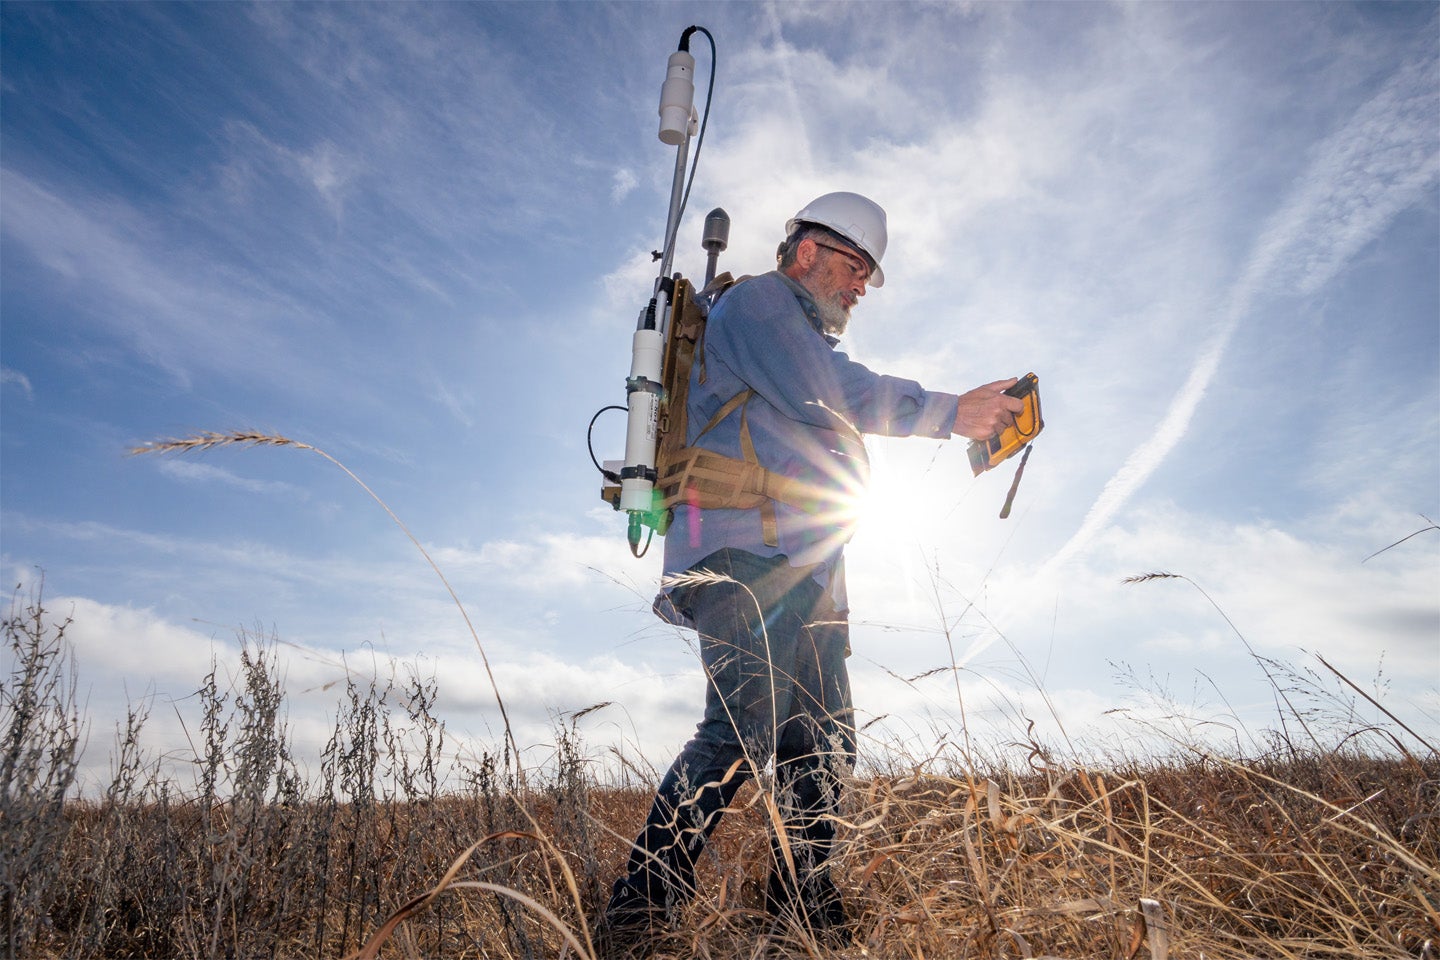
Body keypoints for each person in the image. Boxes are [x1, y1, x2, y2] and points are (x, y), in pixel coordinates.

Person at [602, 191, 1025, 947]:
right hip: (738, 555)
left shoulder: (797, 330)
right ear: (808, 252)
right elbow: (832, 394)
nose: (861, 287)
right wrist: (948, 411)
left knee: (824, 738)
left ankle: (803, 903)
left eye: (868, 276)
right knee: (740, 730)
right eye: (855, 267)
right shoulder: (763, 306)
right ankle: (637, 912)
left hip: (804, 562)